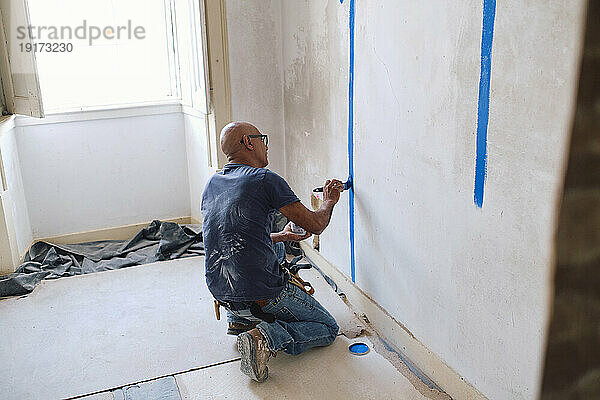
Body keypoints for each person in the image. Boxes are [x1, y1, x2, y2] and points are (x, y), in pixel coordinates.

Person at [201, 121, 345, 382]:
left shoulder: (213, 183)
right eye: (262, 138)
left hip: (222, 292)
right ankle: (265, 337)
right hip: (260, 296)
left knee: (277, 245)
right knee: (327, 328)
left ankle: (240, 321)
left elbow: (237, 237)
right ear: (248, 142)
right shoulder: (266, 180)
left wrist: (285, 236)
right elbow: (316, 224)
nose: (266, 145)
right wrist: (328, 201)